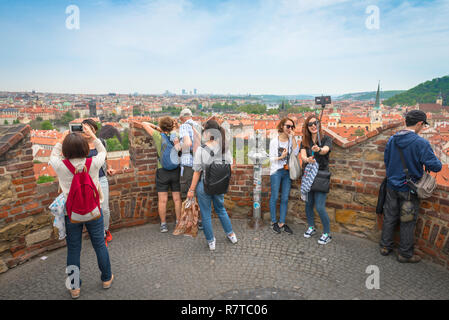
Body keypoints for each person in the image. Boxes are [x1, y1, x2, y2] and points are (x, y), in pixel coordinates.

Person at [49, 124, 113, 299]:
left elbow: (53, 155)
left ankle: (75, 287)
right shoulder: (93, 163)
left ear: (66, 150)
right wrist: (92, 135)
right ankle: (106, 278)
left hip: (72, 213)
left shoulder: (61, 166)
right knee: (99, 244)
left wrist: (61, 140)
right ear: (85, 148)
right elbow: (102, 151)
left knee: (73, 250)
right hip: (93, 210)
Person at [380, 110, 442, 263]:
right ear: (420, 123)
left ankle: (385, 247)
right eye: (423, 125)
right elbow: (436, 167)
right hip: (409, 189)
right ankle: (405, 254)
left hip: (391, 186)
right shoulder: (421, 143)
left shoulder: (392, 140)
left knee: (389, 217)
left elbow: (386, 161)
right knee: (407, 221)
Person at [187, 119, 237, 251]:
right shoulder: (224, 148)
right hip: (219, 185)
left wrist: (191, 190)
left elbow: (197, 173)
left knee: (206, 213)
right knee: (221, 210)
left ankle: (211, 241)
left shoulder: (201, 150)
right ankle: (231, 235)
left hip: (205, 185)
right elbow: (230, 167)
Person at [142, 117, 182, 233]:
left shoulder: (158, 136)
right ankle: (178, 222)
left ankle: (163, 224)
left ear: (162, 126)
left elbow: (144, 124)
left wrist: (156, 127)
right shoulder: (176, 135)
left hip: (162, 170)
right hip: (175, 169)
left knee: (162, 200)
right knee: (177, 199)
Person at [81, 119, 116, 246]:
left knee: (104, 208)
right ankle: (99, 235)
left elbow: (105, 158)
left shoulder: (101, 142)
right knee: (92, 209)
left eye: (89, 128)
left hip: (101, 178)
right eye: (84, 128)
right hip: (87, 181)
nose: (87, 131)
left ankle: (105, 231)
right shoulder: (80, 144)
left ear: (94, 130)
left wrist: (109, 168)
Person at [300, 115, 333, 245]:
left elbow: (325, 150)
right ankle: (311, 226)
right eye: (310, 124)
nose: (313, 126)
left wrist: (318, 149)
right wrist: (307, 159)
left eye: (315, 123)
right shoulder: (305, 141)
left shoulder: (326, 139)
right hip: (308, 176)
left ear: (319, 124)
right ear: (307, 127)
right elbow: (303, 155)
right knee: (308, 204)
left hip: (321, 176)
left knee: (319, 207)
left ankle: (327, 233)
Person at [269, 117, 299, 235]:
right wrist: (281, 157)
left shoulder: (291, 140)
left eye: (292, 127)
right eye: (288, 126)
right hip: (277, 171)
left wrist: (293, 137)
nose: (290, 129)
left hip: (287, 172)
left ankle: (282, 222)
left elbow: (296, 153)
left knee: (285, 198)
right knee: (275, 196)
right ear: (282, 126)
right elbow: (271, 159)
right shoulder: (274, 141)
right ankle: (273, 221)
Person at [179, 108, 203, 230]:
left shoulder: (184, 126)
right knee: (200, 193)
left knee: (190, 193)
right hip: (201, 164)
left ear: (182, 118)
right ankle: (202, 220)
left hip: (189, 165)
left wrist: (177, 147)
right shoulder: (199, 126)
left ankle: (191, 222)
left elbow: (187, 143)